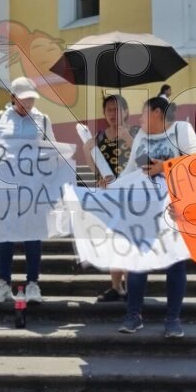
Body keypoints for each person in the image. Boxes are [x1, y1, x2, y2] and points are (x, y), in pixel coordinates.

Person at [116, 96, 196, 338]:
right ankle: (133, 315)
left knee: (175, 264)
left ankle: (173, 318)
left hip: (174, 211)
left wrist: (164, 166)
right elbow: (130, 170)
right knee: (137, 263)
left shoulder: (181, 130)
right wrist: (109, 189)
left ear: (157, 112)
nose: (139, 119)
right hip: (144, 211)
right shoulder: (141, 137)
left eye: (143, 114)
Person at [0, 76, 55, 304]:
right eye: (24, 99)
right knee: (4, 235)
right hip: (6, 189)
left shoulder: (43, 120)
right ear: (13, 97)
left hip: (33, 189)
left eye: (31, 99)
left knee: (33, 235)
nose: (28, 103)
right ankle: (3, 284)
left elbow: (52, 151)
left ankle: (33, 284)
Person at [82, 94, 140, 302]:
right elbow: (93, 163)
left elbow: (144, 159)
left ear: (127, 111)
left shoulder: (137, 132)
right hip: (109, 196)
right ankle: (116, 287)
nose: (114, 114)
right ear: (104, 113)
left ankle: (133, 287)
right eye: (109, 110)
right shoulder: (99, 137)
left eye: (118, 109)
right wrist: (98, 176)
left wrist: (128, 138)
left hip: (133, 195)